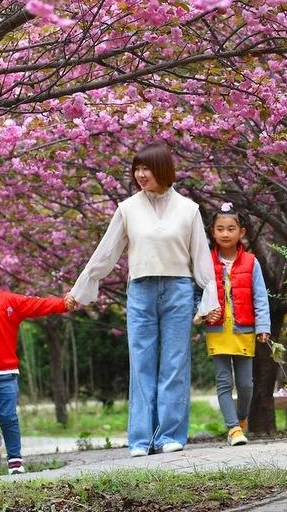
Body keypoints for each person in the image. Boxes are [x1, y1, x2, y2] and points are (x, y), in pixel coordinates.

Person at [66, 141, 219, 457]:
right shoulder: (127, 208)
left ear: (163, 169)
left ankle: (170, 436)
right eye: (137, 169)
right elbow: (106, 252)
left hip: (178, 289)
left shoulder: (189, 210)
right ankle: (140, 439)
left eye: (146, 168)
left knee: (175, 363)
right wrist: (81, 287)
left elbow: (202, 258)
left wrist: (210, 299)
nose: (140, 174)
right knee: (141, 363)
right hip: (140, 291)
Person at [0, 249, 77, 475]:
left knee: (8, 417)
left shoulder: (10, 301)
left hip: (6, 375)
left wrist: (63, 304)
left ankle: (15, 459)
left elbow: (38, 305)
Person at [198, 202, 270, 446]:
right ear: (212, 232)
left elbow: (260, 297)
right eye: (220, 229)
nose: (225, 234)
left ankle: (241, 418)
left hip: (244, 329)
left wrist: (263, 327)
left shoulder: (252, 262)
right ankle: (232, 430)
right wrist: (202, 313)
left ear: (242, 232)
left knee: (245, 384)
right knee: (223, 381)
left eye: (231, 228)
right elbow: (197, 294)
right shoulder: (205, 263)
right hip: (217, 329)